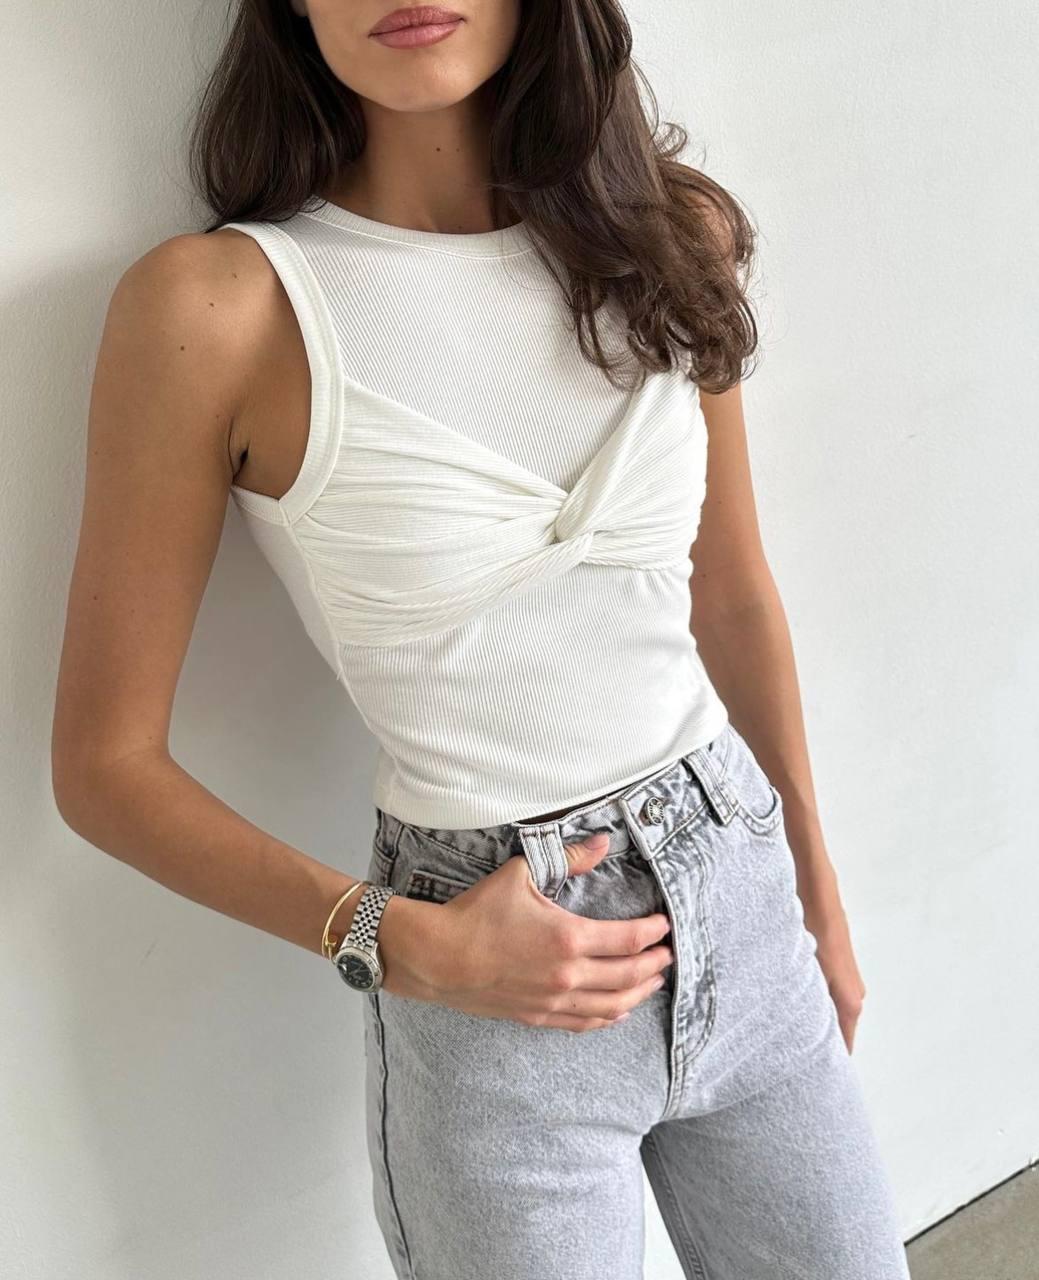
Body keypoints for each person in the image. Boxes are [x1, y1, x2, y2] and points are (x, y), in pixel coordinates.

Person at [51, 2, 912, 1277]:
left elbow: (729, 593)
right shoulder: (218, 308)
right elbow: (103, 765)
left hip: (741, 898)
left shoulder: (672, 234)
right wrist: (398, 940)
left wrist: (816, 898)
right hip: (487, 976)